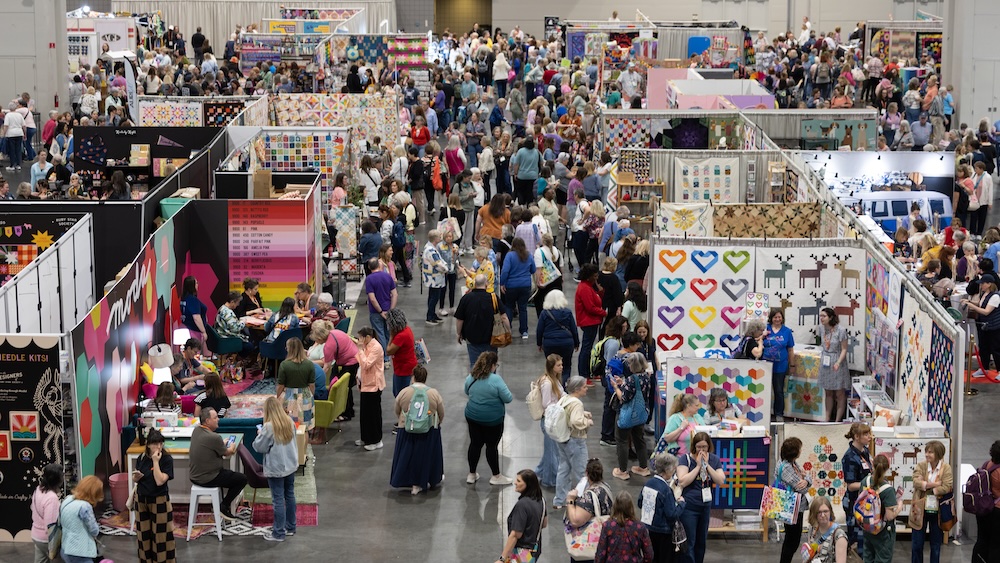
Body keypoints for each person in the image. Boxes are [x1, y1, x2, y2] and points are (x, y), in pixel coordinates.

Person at [391, 364, 445, 494]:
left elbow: (397, 410)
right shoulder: (433, 393)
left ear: (413, 377)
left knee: (407, 456)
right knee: (425, 457)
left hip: (407, 429)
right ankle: (425, 480)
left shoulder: (404, 392)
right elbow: (441, 413)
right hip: (428, 430)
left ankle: (407, 480)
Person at [252, 396, 299, 542]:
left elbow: (259, 447)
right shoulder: (289, 421)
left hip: (276, 467)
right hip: (290, 465)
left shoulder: (268, 427)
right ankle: (290, 527)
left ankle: (278, 532)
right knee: (289, 496)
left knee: (278, 499)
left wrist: (260, 436)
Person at [465, 351, 514, 485]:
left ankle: (471, 474)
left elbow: (466, 391)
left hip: (472, 416)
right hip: (492, 420)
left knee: (475, 444)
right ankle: (496, 476)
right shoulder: (496, 380)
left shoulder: (471, 377)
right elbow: (508, 398)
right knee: (491, 446)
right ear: (492, 365)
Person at [676, 432, 726, 563]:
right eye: (699, 447)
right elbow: (683, 481)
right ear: (694, 446)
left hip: (705, 506)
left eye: (704, 447)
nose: (701, 450)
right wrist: (698, 466)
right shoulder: (685, 459)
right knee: (690, 542)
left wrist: (707, 465)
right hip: (689, 507)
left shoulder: (714, 459)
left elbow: (720, 480)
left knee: (701, 542)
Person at [189, 407, 246, 519]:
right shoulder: (214, 437)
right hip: (208, 477)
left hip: (194, 475)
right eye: (215, 418)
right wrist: (232, 446)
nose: (218, 419)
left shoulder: (196, 431)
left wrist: (221, 444)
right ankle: (224, 506)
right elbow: (228, 452)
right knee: (242, 479)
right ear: (207, 421)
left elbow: (213, 446)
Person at [131, 428, 176, 562]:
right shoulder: (142, 457)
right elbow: (136, 479)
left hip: (159, 499)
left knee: (160, 536)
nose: (158, 447)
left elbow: (160, 480)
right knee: (143, 535)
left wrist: (156, 462)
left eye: (161, 443)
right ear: (148, 445)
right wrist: (136, 477)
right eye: (155, 444)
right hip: (142, 498)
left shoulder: (166, 459)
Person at [553, 376, 594, 509]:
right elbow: (575, 421)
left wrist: (583, 413)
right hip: (576, 441)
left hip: (563, 439)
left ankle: (559, 500)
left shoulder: (565, 398)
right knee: (582, 472)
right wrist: (587, 422)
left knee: (563, 469)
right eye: (584, 387)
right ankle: (584, 501)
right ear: (577, 389)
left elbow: (568, 414)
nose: (586, 389)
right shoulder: (577, 403)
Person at [610, 353, 652, 480]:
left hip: (627, 415)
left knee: (622, 440)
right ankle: (644, 467)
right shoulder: (646, 376)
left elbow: (623, 398)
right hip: (640, 414)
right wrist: (623, 383)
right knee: (639, 439)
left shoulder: (631, 379)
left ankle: (622, 470)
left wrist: (617, 387)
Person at [910, 440, 953, 563]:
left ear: (938, 454)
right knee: (917, 544)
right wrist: (935, 484)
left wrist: (925, 485)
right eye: (926, 452)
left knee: (935, 545)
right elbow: (915, 482)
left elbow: (947, 487)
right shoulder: (921, 466)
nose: (927, 455)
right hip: (919, 510)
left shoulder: (946, 468)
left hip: (937, 511)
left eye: (930, 452)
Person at [639, 452, 686, 563]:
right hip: (664, 532)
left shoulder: (648, 484)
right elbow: (672, 514)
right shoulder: (666, 490)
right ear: (668, 470)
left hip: (650, 529)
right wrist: (681, 504)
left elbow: (640, 503)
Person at [565, 458, 615, 562]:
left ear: (587, 473)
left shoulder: (589, 496)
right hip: (606, 542)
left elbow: (575, 521)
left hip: (590, 547)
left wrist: (570, 500)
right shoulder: (606, 487)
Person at [455, 273, 508, 366]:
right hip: (491, 338)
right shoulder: (494, 298)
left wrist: (459, 333)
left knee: (475, 364)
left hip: (472, 338)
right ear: (486, 284)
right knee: (491, 365)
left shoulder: (466, 298)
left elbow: (460, 319)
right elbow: (504, 317)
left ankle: (476, 379)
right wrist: (508, 331)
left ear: (475, 284)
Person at [496, 469, 548, 563]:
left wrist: (502, 559)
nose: (515, 483)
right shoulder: (541, 500)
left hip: (522, 553)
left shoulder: (522, 505)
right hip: (534, 550)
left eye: (519, 481)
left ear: (528, 484)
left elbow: (516, 534)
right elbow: (544, 524)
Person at [775, 437, 812, 563]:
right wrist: (807, 480)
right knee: (792, 540)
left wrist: (806, 479)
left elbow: (805, 479)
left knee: (792, 539)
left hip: (796, 508)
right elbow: (801, 487)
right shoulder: (786, 467)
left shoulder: (792, 463)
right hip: (791, 507)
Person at [595, 490, 654, 563]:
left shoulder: (607, 526)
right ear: (631, 507)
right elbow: (649, 554)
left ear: (615, 506)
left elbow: (601, 554)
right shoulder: (640, 527)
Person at [533, 355, 565, 488]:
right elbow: (546, 403)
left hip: (554, 419)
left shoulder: (555, 380)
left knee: (550, 450)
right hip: (549, 421)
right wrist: (560, 403)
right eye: (558, 365)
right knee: (552, 451)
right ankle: (549, 480)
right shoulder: (547, 383)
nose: (561, 367)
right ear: (552, 367)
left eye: (562, 364)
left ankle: (538, 473)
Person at [842, 422, 873, 554]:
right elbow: (851, 485)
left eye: (869, 433)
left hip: (865, 501)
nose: (869, 437)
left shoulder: (864, 451)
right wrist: (869, 483)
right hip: (854, 503)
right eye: (865, 434)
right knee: (857, 541)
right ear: (856, 436)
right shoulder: (849, 457)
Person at [862, 455, 899, 563]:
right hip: (883, 531)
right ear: (887, 468)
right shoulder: (888, 490)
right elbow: (889, 516)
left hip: (868, 527)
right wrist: (899, 506)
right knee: (883, 559)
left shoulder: (865, 482)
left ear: (872, 464)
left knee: (868, 557)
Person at [537, 290, 580, 383]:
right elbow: (573, 329)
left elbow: (539, 329)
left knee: (551, 366)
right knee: (566, 366)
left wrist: (539, 343)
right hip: (567, 343)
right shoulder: (567, 312)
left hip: (549, 343)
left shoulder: (544, 313)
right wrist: (576, 343)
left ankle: (553, 386)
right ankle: (563, 387)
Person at [58, 475, 103, 563]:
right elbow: (94, 530)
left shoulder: (67, 499)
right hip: (80, 552)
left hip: (65, 547)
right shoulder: (85, 507)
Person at [355, 327, 386, 451]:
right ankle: (366, 437)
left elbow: (366, 364)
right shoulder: (366, 346)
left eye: (360, 338)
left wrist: (359, 350)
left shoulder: (376, 347)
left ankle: (376, 440)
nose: (359, 340)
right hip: (366, 384)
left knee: (373, 415)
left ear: (367, 337)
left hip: (374, 385)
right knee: (365, 414)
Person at [963, 274, 1000, 372]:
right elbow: (980, 304)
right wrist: (969, 301)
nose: (981, 286)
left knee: (996, 349)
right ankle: (984, 368)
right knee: (983, 348)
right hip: (983, 326)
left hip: (993, 327)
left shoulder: (995, 296)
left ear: (989, 284)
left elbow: (986, 311)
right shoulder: (984, 294)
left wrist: (970, 305)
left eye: (983, 283)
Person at [762, 308, 795, 420]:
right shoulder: (765, 328)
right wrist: (762, 335)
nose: (777, 319)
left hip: (780, 366)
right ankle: (764, 413)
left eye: (779, 317)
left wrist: (792, 365)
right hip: (764, 366)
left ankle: (779, 414)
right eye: (775, 317)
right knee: (763, 390)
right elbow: (756, 340)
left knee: (779, 391)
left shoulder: (787, 331)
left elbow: (790, 349)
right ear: (771, 318)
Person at [818, 307, 850, 422]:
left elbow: (844, 349)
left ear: (830, 317)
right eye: (820, 316)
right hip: (826, 361)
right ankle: (827, 419)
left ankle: (837, 420)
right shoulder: (821, 328)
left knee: (839, 393)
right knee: (828, 392)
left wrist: (838, 362)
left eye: (824, 316)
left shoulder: (841, 330)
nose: (821, 318)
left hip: (837, 361)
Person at [501, 237, 536, 338]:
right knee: (523, 308)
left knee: (509, 306)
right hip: (525, 286)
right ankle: (524, 331)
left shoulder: (509, 256)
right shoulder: (528, 255)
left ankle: (508, 330)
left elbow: (505, 271)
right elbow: (533, 269)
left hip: (511, 286)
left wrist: (502, 283)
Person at [276, 338, 315, 430]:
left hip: (290, 397)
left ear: (289, 349)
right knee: (304, 428)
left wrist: (277, 398)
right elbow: (312, 385)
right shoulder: (309, 364)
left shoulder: (284, 365)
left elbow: (281, 386)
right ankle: (304, 445)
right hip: (305, 396)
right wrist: (311, 395)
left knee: (290, 427)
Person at [576, 263, 606, 380]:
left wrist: (599, 292)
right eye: (595, 276)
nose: (596, 278)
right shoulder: (585, 288)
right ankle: (584, 375)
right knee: (586, 349)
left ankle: (587, 373)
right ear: (589, 276)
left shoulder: (587, 287)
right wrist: (604, 313)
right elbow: (590, 307)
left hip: (590, 321)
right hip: (589, 321)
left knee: (587, 348)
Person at [365, 258, 398, 360]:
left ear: (369, 267)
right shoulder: (388, 277)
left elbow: (372, 298)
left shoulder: (369, 279)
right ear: (379, 266)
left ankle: (384, 358)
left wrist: (380, 311)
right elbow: (395, 294)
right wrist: (390, 311)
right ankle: (389, 354)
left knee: (379, 334)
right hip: (388, 310)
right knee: (388, 333)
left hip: (376, 312)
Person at [972, 440, 1000, 563]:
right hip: (997, 511)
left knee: (982, 540)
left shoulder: (987, 465)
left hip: (983, 508)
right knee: (996, 545)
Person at [31, 464, 63, 563]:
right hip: (47, 539)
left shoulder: (38, 490)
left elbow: (32, 508)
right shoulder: (52, 498)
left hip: (36, 535)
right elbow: (51, 525)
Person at [803, 496, 849, 563]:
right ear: (814, 514)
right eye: (819, 512)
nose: (823, 515)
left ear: (830, 511)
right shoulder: (813, 529)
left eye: (825, 511)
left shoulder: (839, 535)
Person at [386, 308, 418, 398]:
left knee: (400, 395)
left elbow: (388, 351)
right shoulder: (407, 329)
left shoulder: (400, 336)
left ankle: (403, 411)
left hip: (403, 369)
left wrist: (391, 336)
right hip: (407, 366)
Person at [422, 230, 449, 325]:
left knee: (432, 296)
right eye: (439, 236)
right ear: (435, 239)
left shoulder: (430, 247)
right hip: (434, 278)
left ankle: (432, 314)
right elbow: (438, 264)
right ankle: (430, 317)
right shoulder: (430, 250)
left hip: (433, 277)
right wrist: (446, 268)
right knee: (434, 298)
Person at [179, 275, 209, 352]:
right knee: (195, 354)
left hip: (188, 329)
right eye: (196, 283)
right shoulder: (192, 300)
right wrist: (203, 331)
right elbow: (196, 317)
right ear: (192, 286)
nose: (197, 285)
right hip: (194, 332)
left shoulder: (184, 298)